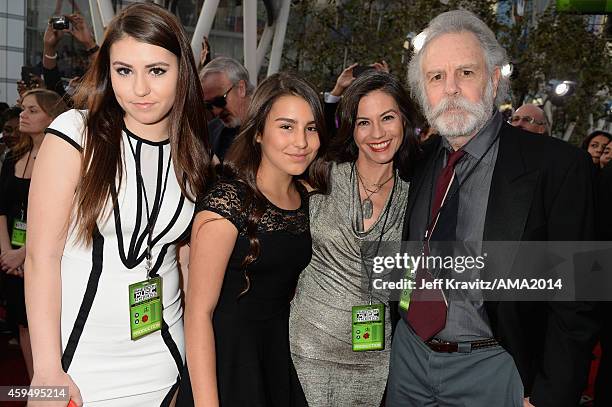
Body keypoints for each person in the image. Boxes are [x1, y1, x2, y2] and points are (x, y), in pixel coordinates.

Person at [387, 10, 599, 407]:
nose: (449, 89)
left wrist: (552, 393)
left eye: (465, 72)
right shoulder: (419, 160)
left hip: (496, 367)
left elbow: (580, 298)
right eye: (436, 77)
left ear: (494, 79)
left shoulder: (559, 167)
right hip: (409, 359)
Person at [25, 3, 211, 406]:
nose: (139, 89)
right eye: (124, 70)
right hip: (77, 366)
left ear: (183, 71)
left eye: (157, 71)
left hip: (166, 362)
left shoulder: (193, 151)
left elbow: (180, 257)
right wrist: (45, 371)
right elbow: (41, 258)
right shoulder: (76, 134)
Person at [179, 72, 328, 407]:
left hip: (275, 355)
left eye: (311, 127)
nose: (301, 141)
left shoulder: (306, 195)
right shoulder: (227, 202)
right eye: (286, 127)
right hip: (226, 361)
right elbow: (199, 313)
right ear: (259, 132)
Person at [289, 71, 417, 406]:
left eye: (387, 118)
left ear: (404, 120)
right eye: (364, 122)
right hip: (305, 351)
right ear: (351, 128)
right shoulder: (320, 176)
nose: (377, 134)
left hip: (372, 361)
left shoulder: (415, 197)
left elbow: (411, 280)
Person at [0, 89, 67, 381]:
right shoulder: (12, 156)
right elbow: (1, 208)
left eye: (32, 110)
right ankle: (36, 388)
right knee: (23, 325)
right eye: (22, 109)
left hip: (44, 256)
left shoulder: (63, 159)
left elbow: (61, 215)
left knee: (46, 324)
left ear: (51, 117)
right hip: (12, 259)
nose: (22, 116)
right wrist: (7, 254)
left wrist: (24, 253)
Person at [199, 57, 254, 161]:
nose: (216, 111)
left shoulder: (271, 127)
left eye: (219, 101)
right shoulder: (210, 132)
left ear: (241, 88)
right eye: (209, 105)